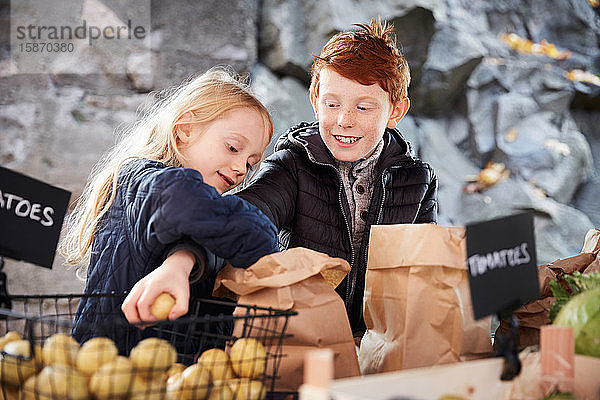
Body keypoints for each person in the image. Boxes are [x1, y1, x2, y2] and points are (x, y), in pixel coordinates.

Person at [162, 17, 438, 342]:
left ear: (395, 112)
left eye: (363, 108)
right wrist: (181, 262)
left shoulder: (418, 179)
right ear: (315, 101)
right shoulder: (293, 166)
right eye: (332, 104)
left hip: (382, 347)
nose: (343, 120)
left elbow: (427, 270)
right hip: (303, 339)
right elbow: (238, 219)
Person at [60, 67, 279, 351]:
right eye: (233, 148)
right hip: (116, 376)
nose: (240, 169)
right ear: (184, 130)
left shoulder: (205, 215)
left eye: (251, 163)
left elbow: (216, 234)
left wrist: (185, 258)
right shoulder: (138, 181)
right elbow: (202, 210)